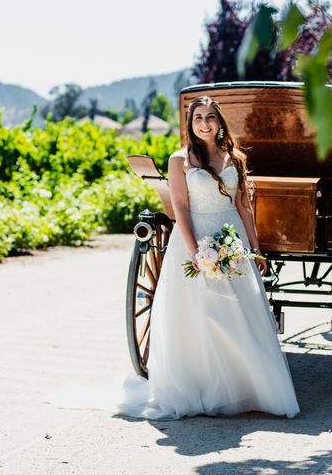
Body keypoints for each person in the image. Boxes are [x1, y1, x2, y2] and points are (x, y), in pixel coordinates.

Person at [115, 95, 300, 420]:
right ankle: (203, 387)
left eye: (210, 117)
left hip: (233, 239)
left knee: (238, 313)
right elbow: (181, 208)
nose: (204, 123)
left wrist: (254, 248)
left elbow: (243, 207)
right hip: (195, 239)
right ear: (190, 123)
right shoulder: (180, 159)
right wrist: (194, 251)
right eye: (198, 117)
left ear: (219, 122)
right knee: (201, 314)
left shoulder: (234, 158)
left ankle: (246, 388)